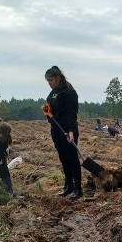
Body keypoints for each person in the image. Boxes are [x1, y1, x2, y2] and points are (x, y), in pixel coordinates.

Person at [43, 65, 82, 199]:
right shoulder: (52, 93)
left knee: (72, 158)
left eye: (51, 80)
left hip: (67, 130)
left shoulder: (69, 92)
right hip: (56, 129)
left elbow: (72, 113)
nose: (49, 83)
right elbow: (52, 111)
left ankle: (78, 188)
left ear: (58, 78)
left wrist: (71, 131)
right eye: (47, 81)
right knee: (63, 158)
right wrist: (47, 111)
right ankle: (68, 186)